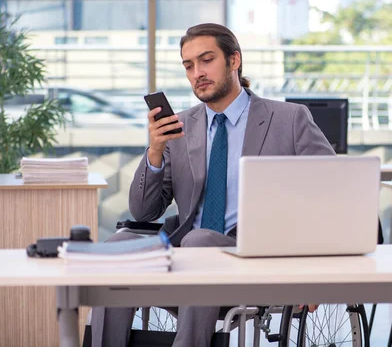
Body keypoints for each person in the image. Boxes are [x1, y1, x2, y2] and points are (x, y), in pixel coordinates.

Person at [90, 23, 335, 347]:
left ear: (234, 60)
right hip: (185, 253)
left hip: (257, 258)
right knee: (117, 246)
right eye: (188, 65)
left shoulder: (289, 119)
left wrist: (315, 271)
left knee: (199, 240)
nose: (196, 73)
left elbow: (332, 194)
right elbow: (144, 211)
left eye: (206, 60)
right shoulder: (181, 127)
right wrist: (155, 150)